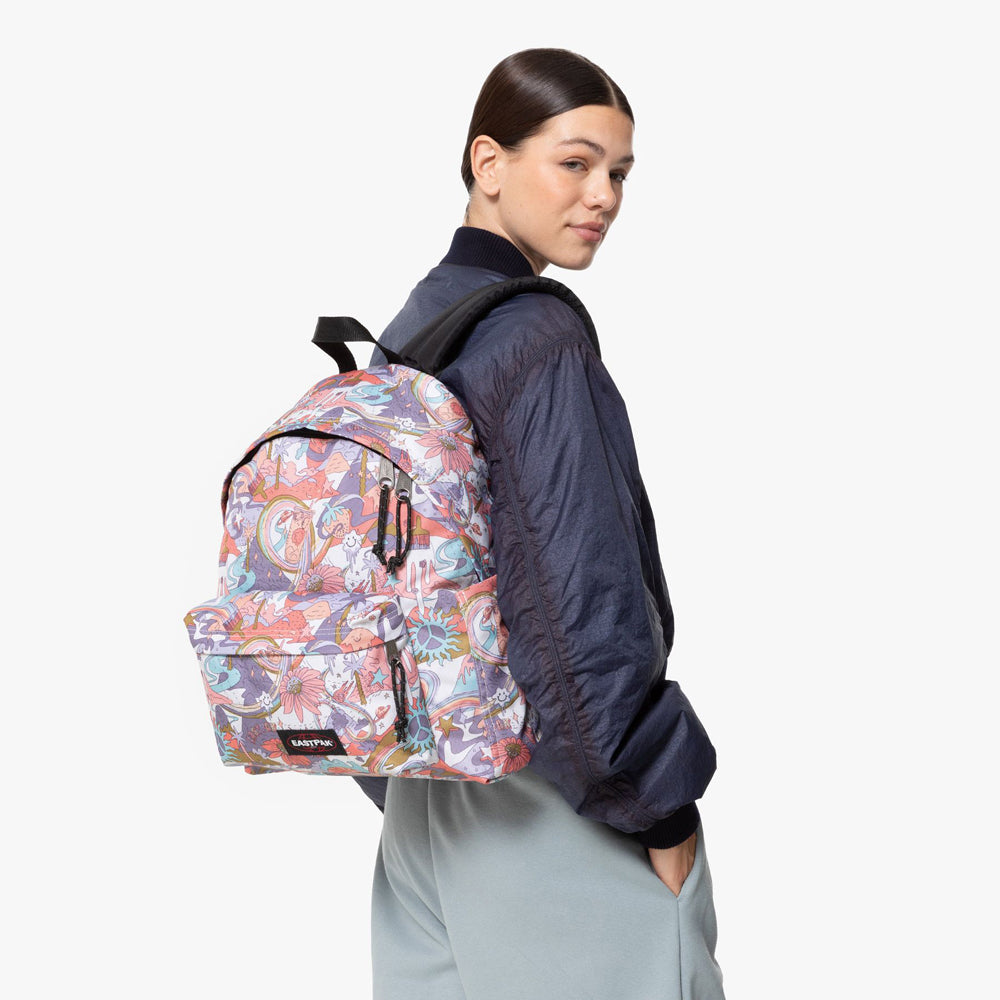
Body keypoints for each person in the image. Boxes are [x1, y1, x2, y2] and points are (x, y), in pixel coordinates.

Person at [361, 48, 726, 999]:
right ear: (489, 162)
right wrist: (657, 806)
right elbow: (576, 603)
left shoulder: (412, 328)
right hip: (551, 804)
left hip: (426, 807)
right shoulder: (535, 336)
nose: (603, 195)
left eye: (620, 173)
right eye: (575, 162)